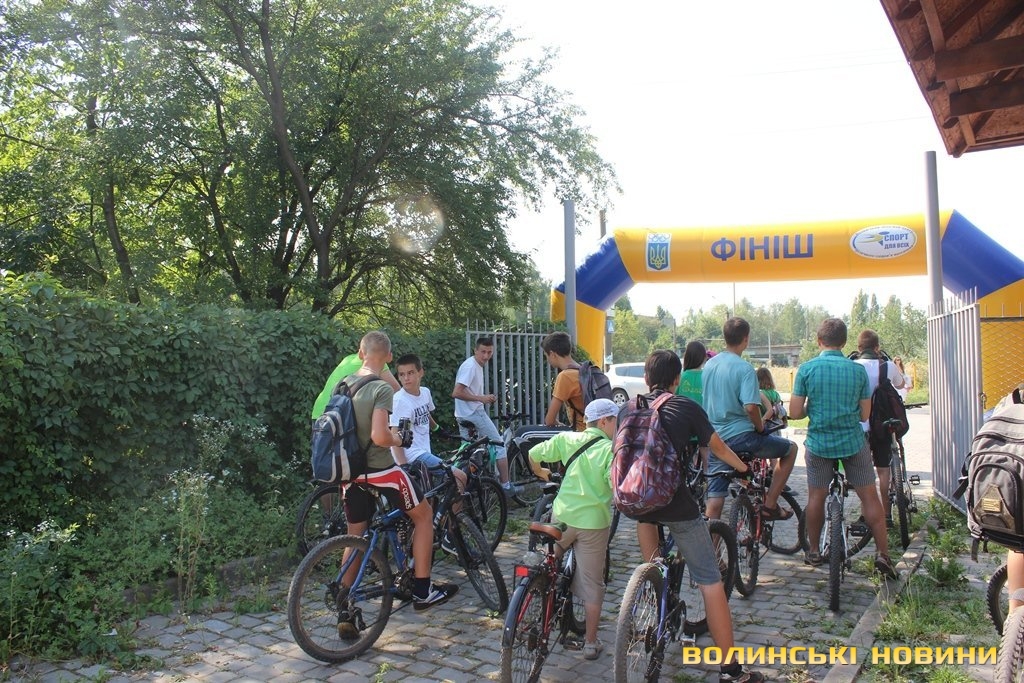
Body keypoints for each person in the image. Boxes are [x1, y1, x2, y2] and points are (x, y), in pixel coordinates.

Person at [628, 350, 763, 683]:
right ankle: (731, 670)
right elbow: (717, 448)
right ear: (677, 379)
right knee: (710, 581)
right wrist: (743, 469)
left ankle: (654, 591)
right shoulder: (685, 406)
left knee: (651, 551)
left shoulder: (628, 408)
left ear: (646, 378)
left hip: (637, 500)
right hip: (674, 503)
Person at [337, 332, 458, 635]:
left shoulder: (345, 384)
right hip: (379, 471)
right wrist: (400, 439)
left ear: (360, 353)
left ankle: (344, 606)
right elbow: (380, 437)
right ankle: (423, 591)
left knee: (355, 536)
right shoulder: (381, 388)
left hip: (350, 474)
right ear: (389, 357)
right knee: (424, 516)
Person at [788, 318, 898, 579]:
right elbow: (864, 415)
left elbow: (795, 412)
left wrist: (812, 408)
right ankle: (883, 555)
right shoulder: (857, 371)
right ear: (845, 342)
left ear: (819, 341)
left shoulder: (806, 369)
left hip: (819, 444)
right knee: (869, 497)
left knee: (816, 497)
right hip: (852, 443)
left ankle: (814, 551)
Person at [527, 397, 619, 660]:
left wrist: (542, 472)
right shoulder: (610, 450)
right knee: (593, 585)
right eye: (616, 421)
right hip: (593, 525)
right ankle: (590, 643)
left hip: (562, 518)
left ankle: (536, 595)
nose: (617, 426)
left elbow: (533, 454)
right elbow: (614, 484)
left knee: (549, 560)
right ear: (605, 421)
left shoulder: (567, 439)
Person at [702, 317, 797, 524]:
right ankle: (770, 505)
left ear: (725, 338)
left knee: (715, 500)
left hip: (716, 440)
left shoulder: (709, 365)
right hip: (741, 437)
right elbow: (751, 407)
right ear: (746, 339)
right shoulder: (744, 369)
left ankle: (712, 541)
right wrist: (760, 427)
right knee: (791, 450)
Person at [389, 353, 468, 549]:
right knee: (459, 477)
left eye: (410, 373)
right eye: (401, 374)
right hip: (412, 455)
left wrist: (438, 430)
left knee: (428, 501)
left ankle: (426, 542)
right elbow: (395, 436)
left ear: (420, 373)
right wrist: (403, 466)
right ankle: (451, 536)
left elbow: (425, 414)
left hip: (424, 451)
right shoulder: (400, 401)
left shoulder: (425, 393)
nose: (406, 378)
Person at [854, 329, 907, 528]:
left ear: (859, 348)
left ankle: (864, 514)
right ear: (877, 347)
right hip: (883, 425)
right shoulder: (888, 366)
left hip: (860, 426)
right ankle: (886, 514)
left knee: (863, 471)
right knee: (883, 471)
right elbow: (900, 385)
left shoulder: (853, 366)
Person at [452, 337, 518, 493]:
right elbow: (456, 392)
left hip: (463, 415)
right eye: (483, 352)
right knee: (499, 445)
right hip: (473, 413)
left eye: (489, 352)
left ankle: (464, 490)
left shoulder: (474, 365)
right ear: (475, 350)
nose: (486, 356)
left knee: (469, 454)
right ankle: (506, 486)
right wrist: (481, 398)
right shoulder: (471, 367)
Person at [311, 351, 400, 420]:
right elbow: (397, 391)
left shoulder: (348, 358)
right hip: (338, 416)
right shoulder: (377, 362)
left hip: (321, 412)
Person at [541, 331, 586, 431]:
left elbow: (549, 420)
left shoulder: (565, 376)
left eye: (546, 355)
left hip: (583, 433)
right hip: (599, 431)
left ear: (552, 354)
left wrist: (562, 426)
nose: (547, 360)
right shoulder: (584, 370)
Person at [676, 341, 708, 405]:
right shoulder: (707, 377)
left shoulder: (680, 376)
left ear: (686, 356)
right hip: (701, 411)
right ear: (704, 357)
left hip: (682, 411)